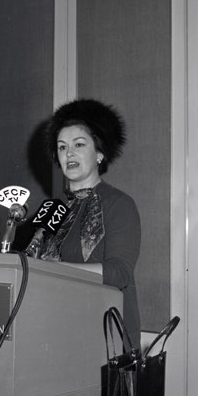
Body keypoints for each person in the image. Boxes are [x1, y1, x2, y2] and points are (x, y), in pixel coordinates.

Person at [37, 99, 141, 348]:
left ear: (100, 154)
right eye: (62, 147)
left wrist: (56, 268)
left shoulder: (119, 203)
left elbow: (119, 273)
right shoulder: (52, 210)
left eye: (79, 145)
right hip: (57, 331)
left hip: (105, 338)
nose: (68, 153)